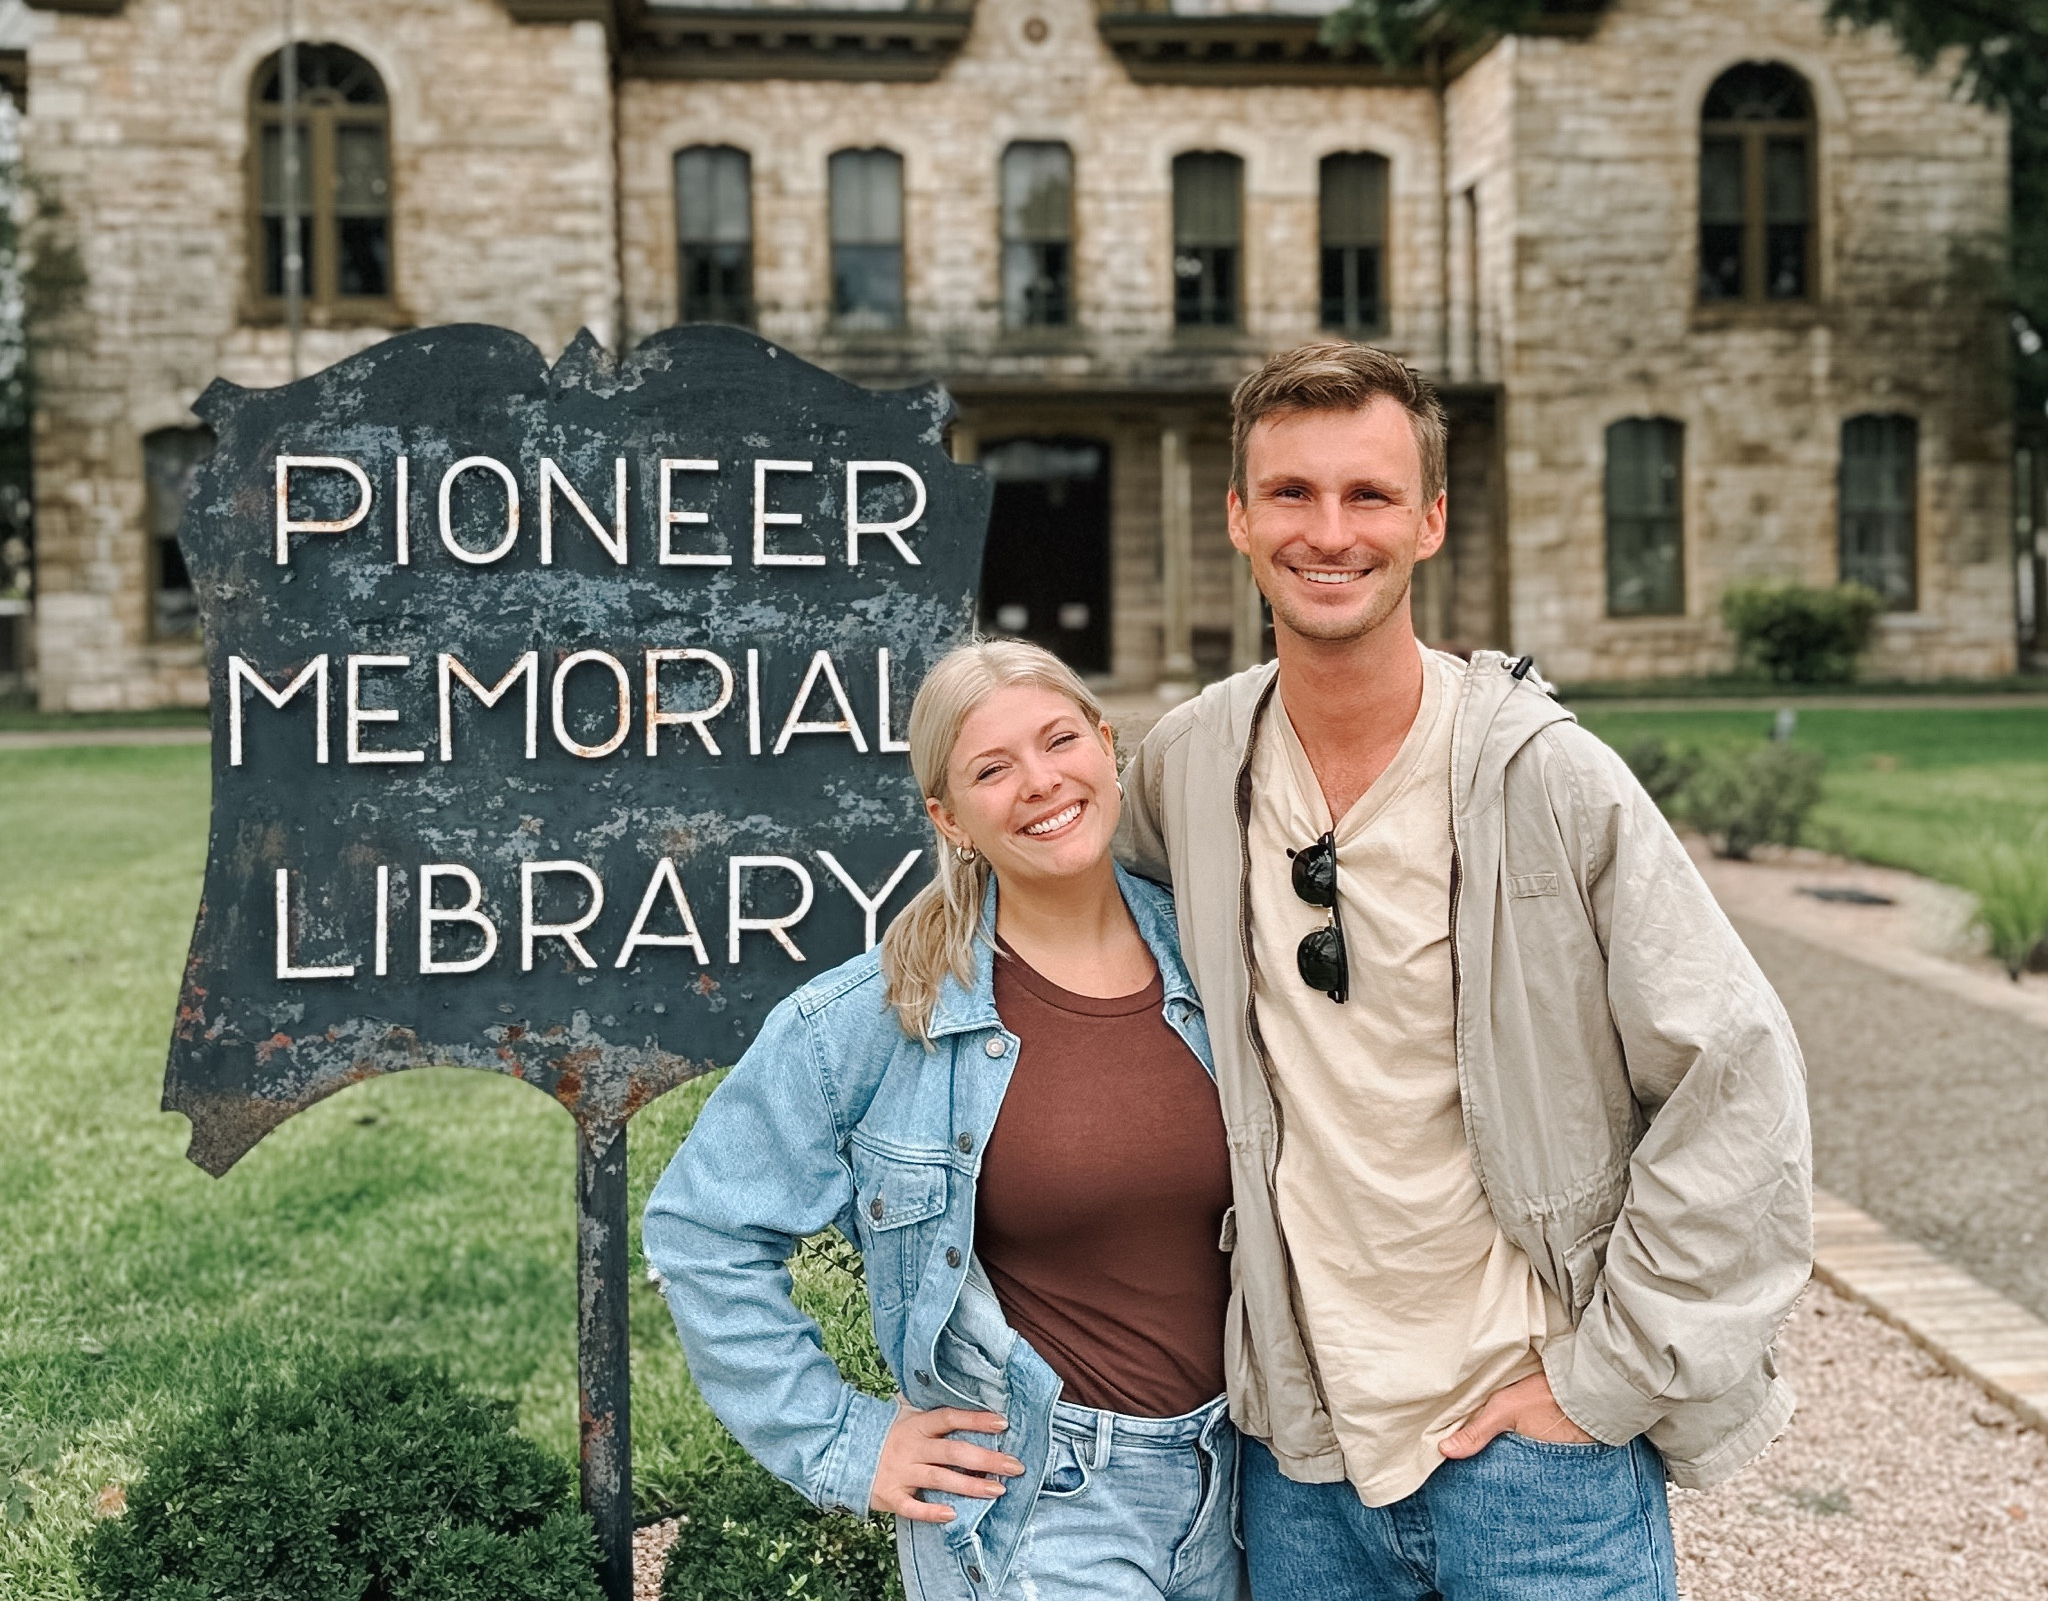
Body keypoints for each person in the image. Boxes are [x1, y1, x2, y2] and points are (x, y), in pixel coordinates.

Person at [1116, 341, 1812, 1601]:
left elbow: (1735, 1077)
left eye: (1369, 495)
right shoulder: (1186, 766)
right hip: (1301, 1461)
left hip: (1535, 1462)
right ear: (1235, 515)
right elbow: (1067, 962)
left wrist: (1604, 1376)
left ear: (1430, 520)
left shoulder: (1543, 776)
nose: (1329, 531)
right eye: (1290, 492)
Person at [644, 639, 1243, 1601]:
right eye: (991, 770)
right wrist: (845, 1440)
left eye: (1059, 741)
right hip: (1037, 1508)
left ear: (1106, 744)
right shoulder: (885, 1016)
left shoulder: (1215, 950)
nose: (1040, 782)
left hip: (1244, 1489)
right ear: (949, 817)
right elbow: (701, 1226)